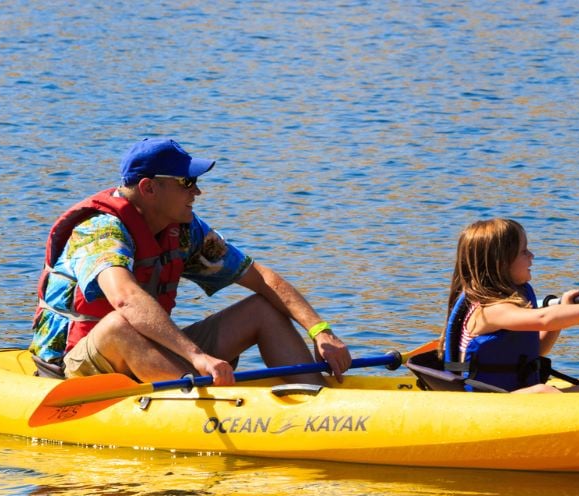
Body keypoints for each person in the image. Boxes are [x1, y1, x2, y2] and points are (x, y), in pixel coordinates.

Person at [29, 137, 351, 386]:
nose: (196, 191)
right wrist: (199, 358)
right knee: (119, 325)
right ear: (149, 187)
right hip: (72, 368)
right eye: (186, 182)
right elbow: (125, 299)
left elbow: (261, 278)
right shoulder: (101, 230)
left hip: (149, 352)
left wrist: (320, 331)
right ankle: (209, 404)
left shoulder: (183, 231)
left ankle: (317, 403)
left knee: (262, 309)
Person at [440, 218, 579, 393]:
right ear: (501, 263)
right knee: (544, 391)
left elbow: (538, 349)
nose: (532, 255)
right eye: (524, 252)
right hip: (488, 402)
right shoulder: (489, 310)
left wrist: (565, 308)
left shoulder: (506, 305)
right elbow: (543, 319)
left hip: (516, 397)